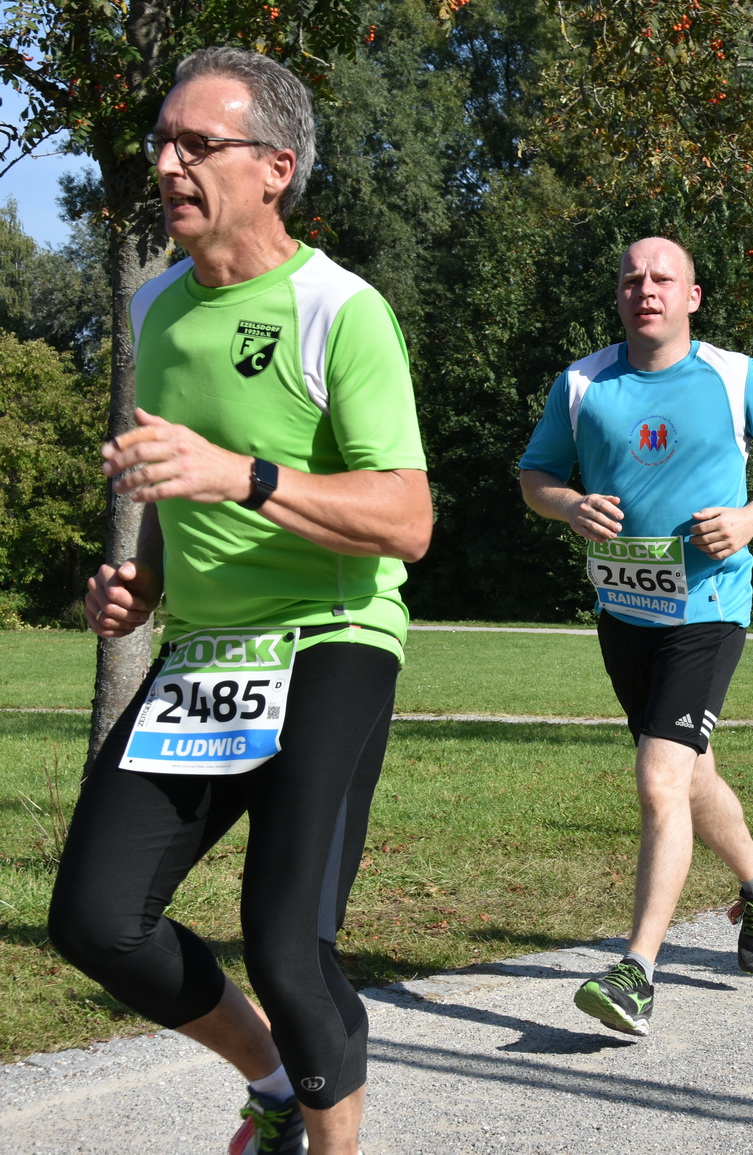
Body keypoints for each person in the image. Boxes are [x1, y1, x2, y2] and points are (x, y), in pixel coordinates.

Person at [46, 48, 432, 1155]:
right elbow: (176, 481)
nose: (166, 163)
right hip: (208, 656)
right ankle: (271, 1082)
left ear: (275, 167)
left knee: (287, 946)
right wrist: (145, 580)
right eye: (161, 144)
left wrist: (247, 477)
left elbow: (405, 520)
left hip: (333, 640)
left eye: (195, 145)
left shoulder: (339, 310)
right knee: (96, 921)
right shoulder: (157, 306)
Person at [519, 237, 753, 1035]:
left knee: (658, 777)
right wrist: (568, 505)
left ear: (692, 296)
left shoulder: (732, 377)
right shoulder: (582, 383)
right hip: (624, 611)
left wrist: (752, 517)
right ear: (618, 295)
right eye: (631, 279)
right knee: (689, 777)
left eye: (662, 279)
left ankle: (637, 972)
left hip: (709, 607)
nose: (644, 289)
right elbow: (535, 477)